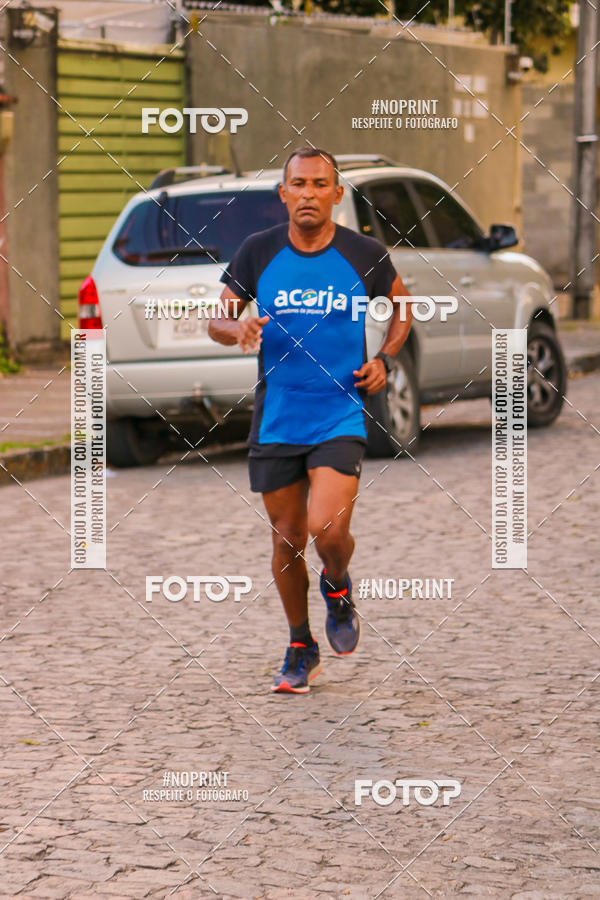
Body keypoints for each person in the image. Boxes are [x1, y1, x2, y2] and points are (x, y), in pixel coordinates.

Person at [209, 147, 412, 693]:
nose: (307, 193)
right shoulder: (258, 251)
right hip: (277, 417)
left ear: (336, 194)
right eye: (298, 184)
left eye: (320, 184)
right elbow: (217, 319)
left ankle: (338, 584)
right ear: (283, 193)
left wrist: (385, 360)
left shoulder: (363, 252)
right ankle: (301, 644)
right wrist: (237, 330)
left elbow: (402, 305)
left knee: (328, 528)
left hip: (338, 411)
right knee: (286, 540)